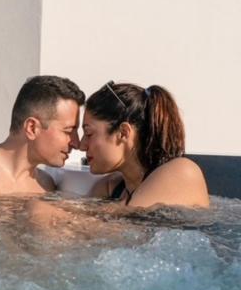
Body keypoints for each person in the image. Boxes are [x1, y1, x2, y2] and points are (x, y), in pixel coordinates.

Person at [80, 81, 209, 208]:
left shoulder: (182, 172)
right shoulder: (112, 187)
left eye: (89, 134)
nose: (82, 146)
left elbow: (122, 217)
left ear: (123, 133)